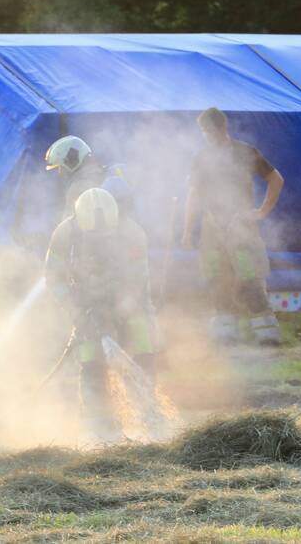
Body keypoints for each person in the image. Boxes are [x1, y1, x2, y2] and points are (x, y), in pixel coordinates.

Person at [44, 188, 158, 441]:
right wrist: (77, 312)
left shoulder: (133, 233)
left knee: (141, 343)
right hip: (86, 305)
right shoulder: (64, 234)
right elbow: (53, 278)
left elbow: (138, 279)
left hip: (131, 303)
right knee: (90, 356)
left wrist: (120, 309)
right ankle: (98, 423)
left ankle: (148, 412)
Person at [182, 107, 285, 346]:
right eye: (203, 132)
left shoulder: (244, 152)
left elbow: (276, 179)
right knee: (217, 279)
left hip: (241, 229)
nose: (206, 135)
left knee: (249, 278)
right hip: (211, 232)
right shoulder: (201, 158)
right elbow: (194, 195)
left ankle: (267, 334)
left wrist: (261, 212)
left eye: (208, 130)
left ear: (222, 127)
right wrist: (187, 230)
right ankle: (225, 334)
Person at [45, 135, 129, 216]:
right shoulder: (115, 172)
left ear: (71, 162)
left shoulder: (77, 189)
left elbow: (69, 225)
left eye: (61, 167)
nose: (60, 172)